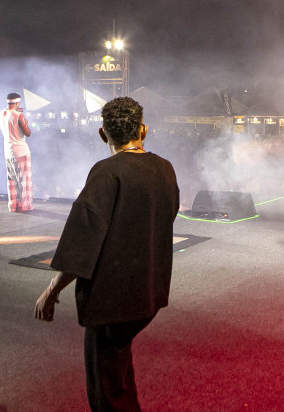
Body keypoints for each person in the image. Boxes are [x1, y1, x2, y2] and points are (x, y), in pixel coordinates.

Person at [35, 97, 179, 412]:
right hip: (148, 292)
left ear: (103, 134)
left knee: (107, 393)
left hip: (112, 299)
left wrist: (51, 291)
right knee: (120, 374)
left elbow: (82, 243)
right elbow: (167, 216)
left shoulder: (105, 172)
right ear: (143, 130)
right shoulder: (165, 168)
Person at [0, 93, 32, 212]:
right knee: (23, 180)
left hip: (8, 152)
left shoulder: (0, 114)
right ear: (17, 102)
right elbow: (28, 133)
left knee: (11, 180)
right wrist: (23, 116)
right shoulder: (19, 115)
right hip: (21, 151)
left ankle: (13, 205)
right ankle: (24, 205)